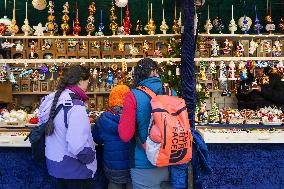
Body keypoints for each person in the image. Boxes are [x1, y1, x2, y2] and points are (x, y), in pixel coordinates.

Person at [118, 58, 175, 189]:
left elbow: (125, 135)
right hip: (169, 160)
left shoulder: (133, 96)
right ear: (155, 72)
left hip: (143, 163)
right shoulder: (171, 92)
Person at [38, 66, 97, 189]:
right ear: (80, 81)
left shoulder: (54, 99)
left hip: (56, 165)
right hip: (75, 171)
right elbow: (77, 145)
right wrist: (90, 156)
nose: (88, 85)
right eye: (87, 81)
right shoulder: (75, 106)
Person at [93, 84, 131, 189]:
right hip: (130, 164)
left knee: (114, 185)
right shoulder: (133, 118)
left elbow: (97, 139)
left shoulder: (103, 119)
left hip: (112, 166)